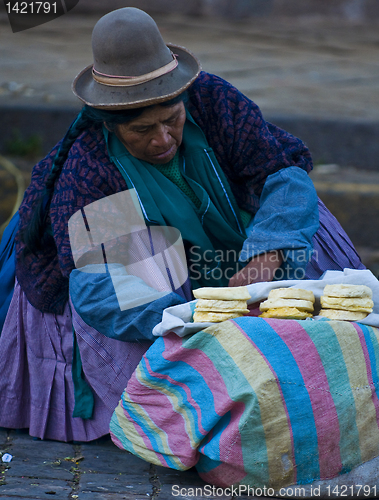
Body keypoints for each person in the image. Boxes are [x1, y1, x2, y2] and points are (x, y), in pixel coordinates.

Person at [0, 7, 364, 443]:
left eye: (172, 120)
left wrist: (265, 256)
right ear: (114, 126)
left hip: (227, 248)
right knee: (151, 267)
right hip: (149, 283)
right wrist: (188, 319)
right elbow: (102, 286)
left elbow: (281, 175)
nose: (163, 139)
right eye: (142, 130)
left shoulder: (212, 102)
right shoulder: (93, 167)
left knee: (301, 215)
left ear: (184, 100)